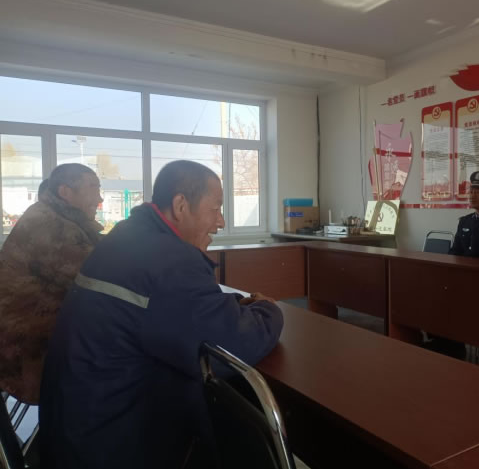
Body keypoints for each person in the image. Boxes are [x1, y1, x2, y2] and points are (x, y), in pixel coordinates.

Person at [39, 160, 284, 469]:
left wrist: (233, 305)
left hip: (75, 429)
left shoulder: (128, 236)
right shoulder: (170, 261)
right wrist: (269, 309)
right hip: (111, 446)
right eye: (216, 209)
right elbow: (236, 343)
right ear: (181, 206)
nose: (220, 222)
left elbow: (174, 308)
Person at [0, 164, 103, 404]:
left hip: (37, 336)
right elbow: (98, 278)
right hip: (26, 349)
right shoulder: (49, 226)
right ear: (65, 192)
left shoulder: (58, 218)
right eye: (93, 188)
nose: (99, 198)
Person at [425, 171, 479, 360]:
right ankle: (446, 343)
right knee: (433, 291)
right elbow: (455, 251)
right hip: (463, 279)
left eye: (478, 191)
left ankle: (454, 345)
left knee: (455, 299)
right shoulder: (465, 221)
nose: (472, 194)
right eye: (471, 190)